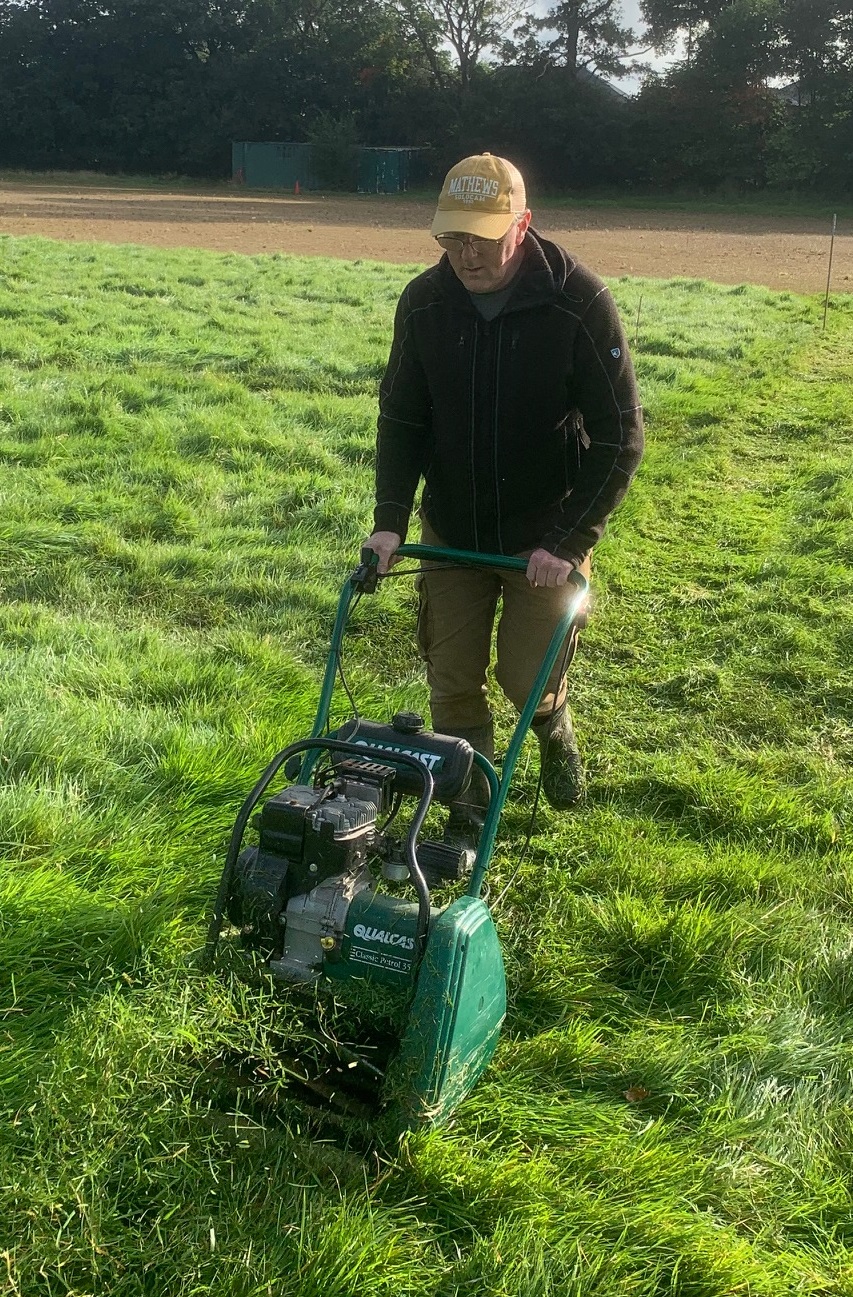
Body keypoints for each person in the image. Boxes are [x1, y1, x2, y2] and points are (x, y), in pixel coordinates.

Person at [364, 152, 643, 850]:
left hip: (539, 536)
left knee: (525, 679)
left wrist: (570, 539)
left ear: (521, 225)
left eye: (480, 237)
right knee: (451, 680)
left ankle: (553, 725)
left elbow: (620, 435)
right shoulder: (425, 303)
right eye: (451, 237)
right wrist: (389, 522)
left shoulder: (577, 301)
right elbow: (402, 419)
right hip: (453, 525)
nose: (464, 254)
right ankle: (467, 800)